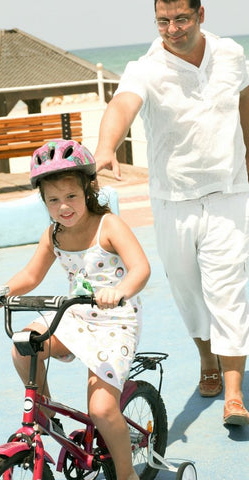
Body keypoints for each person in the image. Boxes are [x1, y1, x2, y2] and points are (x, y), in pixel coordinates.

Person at [94, 0, 249, 426]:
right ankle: (207, 360)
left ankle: (234, 395)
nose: (173, 29)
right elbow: (123, 105)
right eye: (163, 21)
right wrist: (107, 147)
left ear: (202, 14)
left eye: (181, 19)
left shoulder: (232, 55)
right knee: (188, 289)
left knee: (228, 289)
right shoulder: (145, 67)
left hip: (229, 192)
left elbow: (244, 102)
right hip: (173, 199)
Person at [0, 139, 151, 480]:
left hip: (115, 320)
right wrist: (1, 291)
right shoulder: (53, 235)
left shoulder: (108, 226)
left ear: (87, 190)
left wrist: (119, 291)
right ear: (44, 202)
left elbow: (141, 269)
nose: (64, 207)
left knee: (101, 409)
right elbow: (30, 276)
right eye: (53, 200)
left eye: (71, 196)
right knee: (24, 346)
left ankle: (127, 473)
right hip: (76, 314)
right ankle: (45, 413)